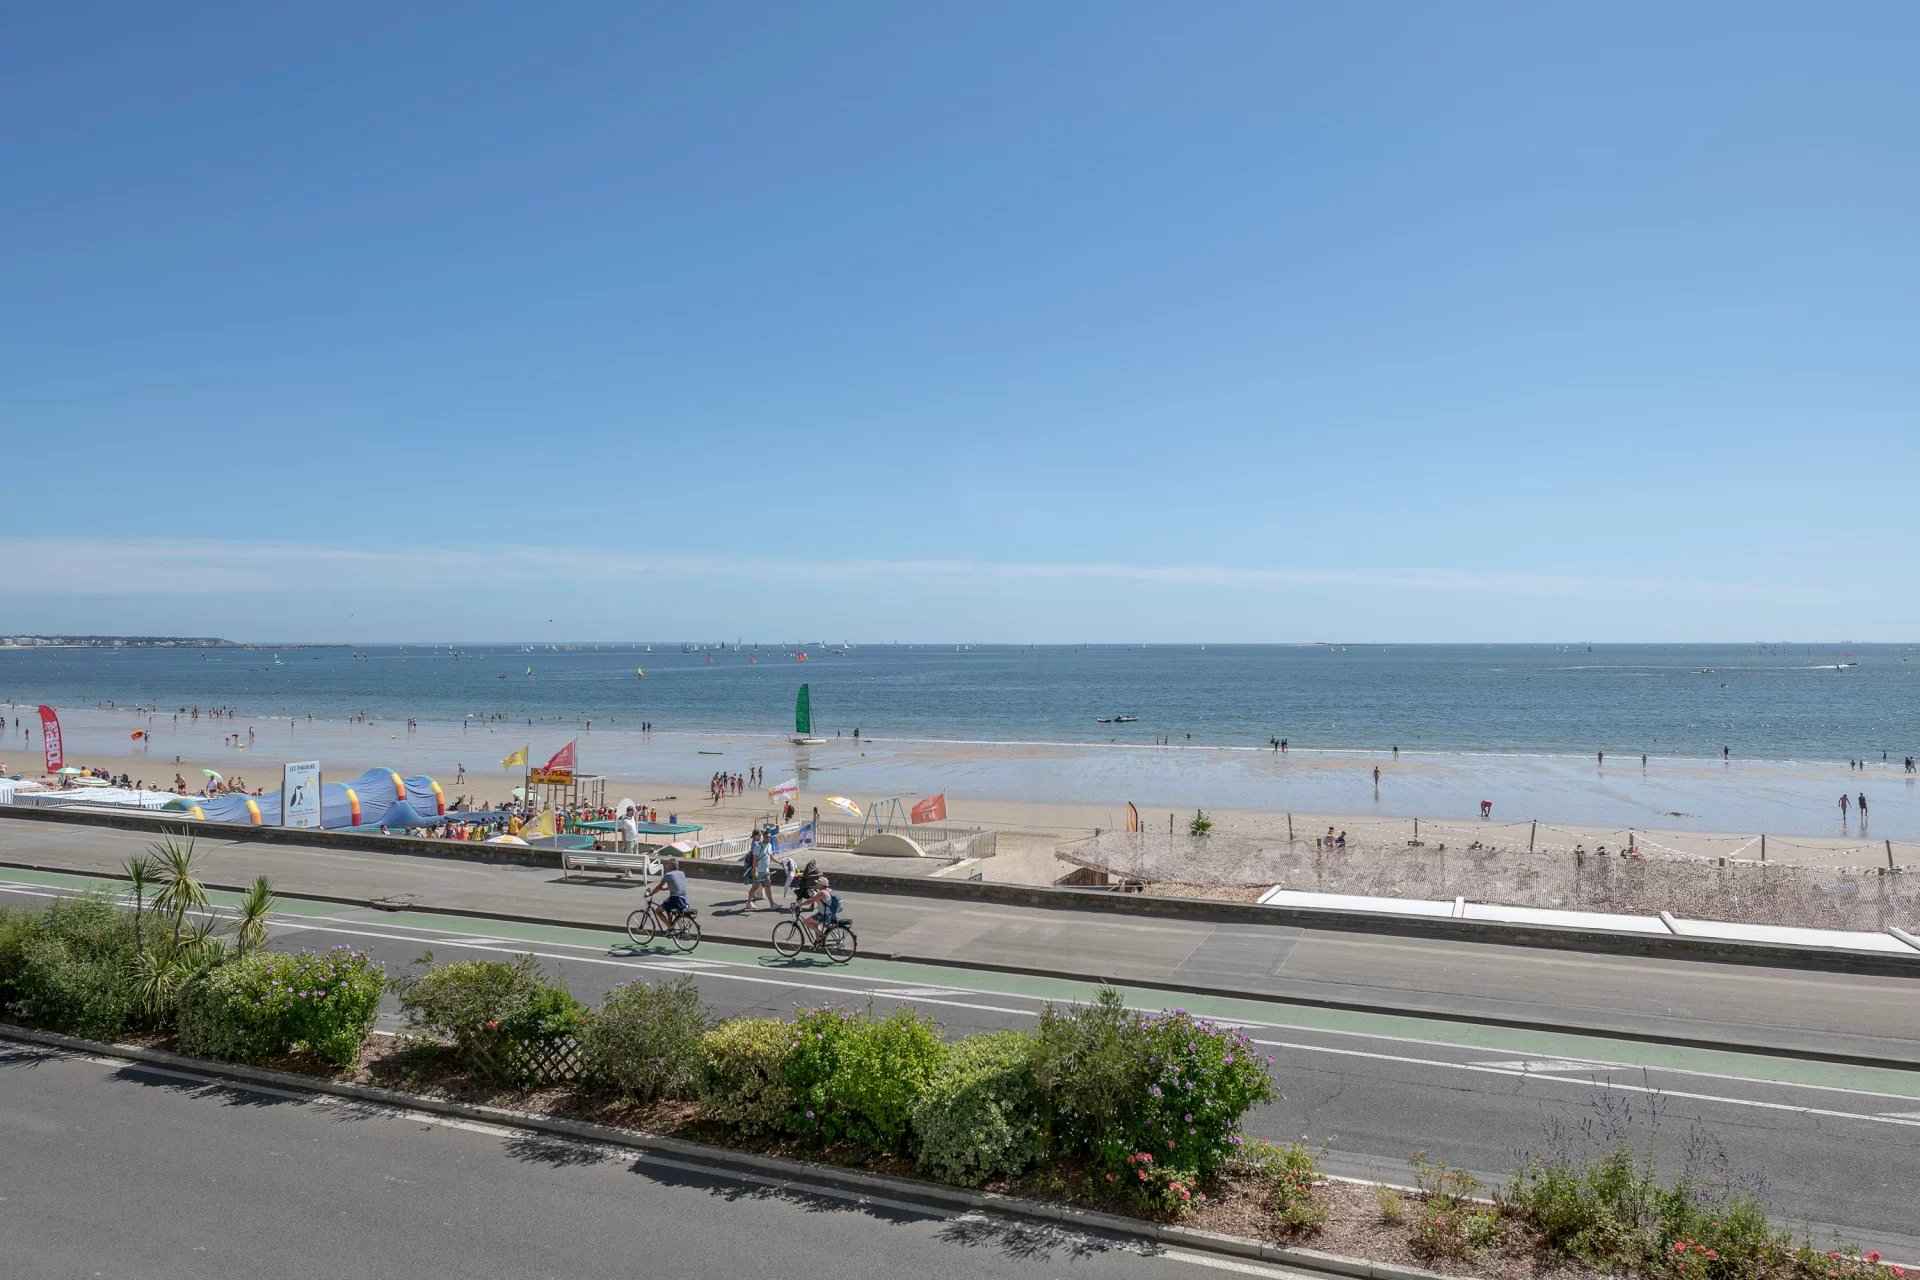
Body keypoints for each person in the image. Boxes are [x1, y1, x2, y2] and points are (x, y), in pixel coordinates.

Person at [647, 858, 692, 928]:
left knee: (658, 911)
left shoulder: (668, 875)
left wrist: (651, 894)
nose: (666, 866)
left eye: (667, 864)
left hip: (676, 899)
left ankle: (670, 927)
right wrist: (665, 889)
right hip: (684, 899)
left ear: (671, 866)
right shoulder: (682, 873)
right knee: (666, 904)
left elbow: (658, 887)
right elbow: (677, 885)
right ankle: (671, 925)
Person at [801, 874, 843, 943]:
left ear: (821, 885)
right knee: (815, 924)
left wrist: (800, 905)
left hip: (824, 915)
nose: (816, 884)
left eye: (818, 883)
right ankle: (818, 941)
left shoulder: (822, 893)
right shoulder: (828, 890)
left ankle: (823, 936)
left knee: (806, 922)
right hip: (829, 913)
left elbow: (811, 901)